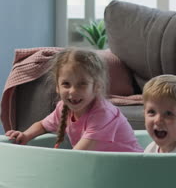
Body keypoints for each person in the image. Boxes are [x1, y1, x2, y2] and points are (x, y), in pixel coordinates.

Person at [6, 48, 143, 152]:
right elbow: (42, 125)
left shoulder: (103, 114)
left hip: (131, 169)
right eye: (66, 84)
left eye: (82, 84)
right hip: (103, 168)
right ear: (57, 87)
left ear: (96, 87)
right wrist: (25, 135)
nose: (73, 91)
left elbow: (78, 154)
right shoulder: (63, 108)